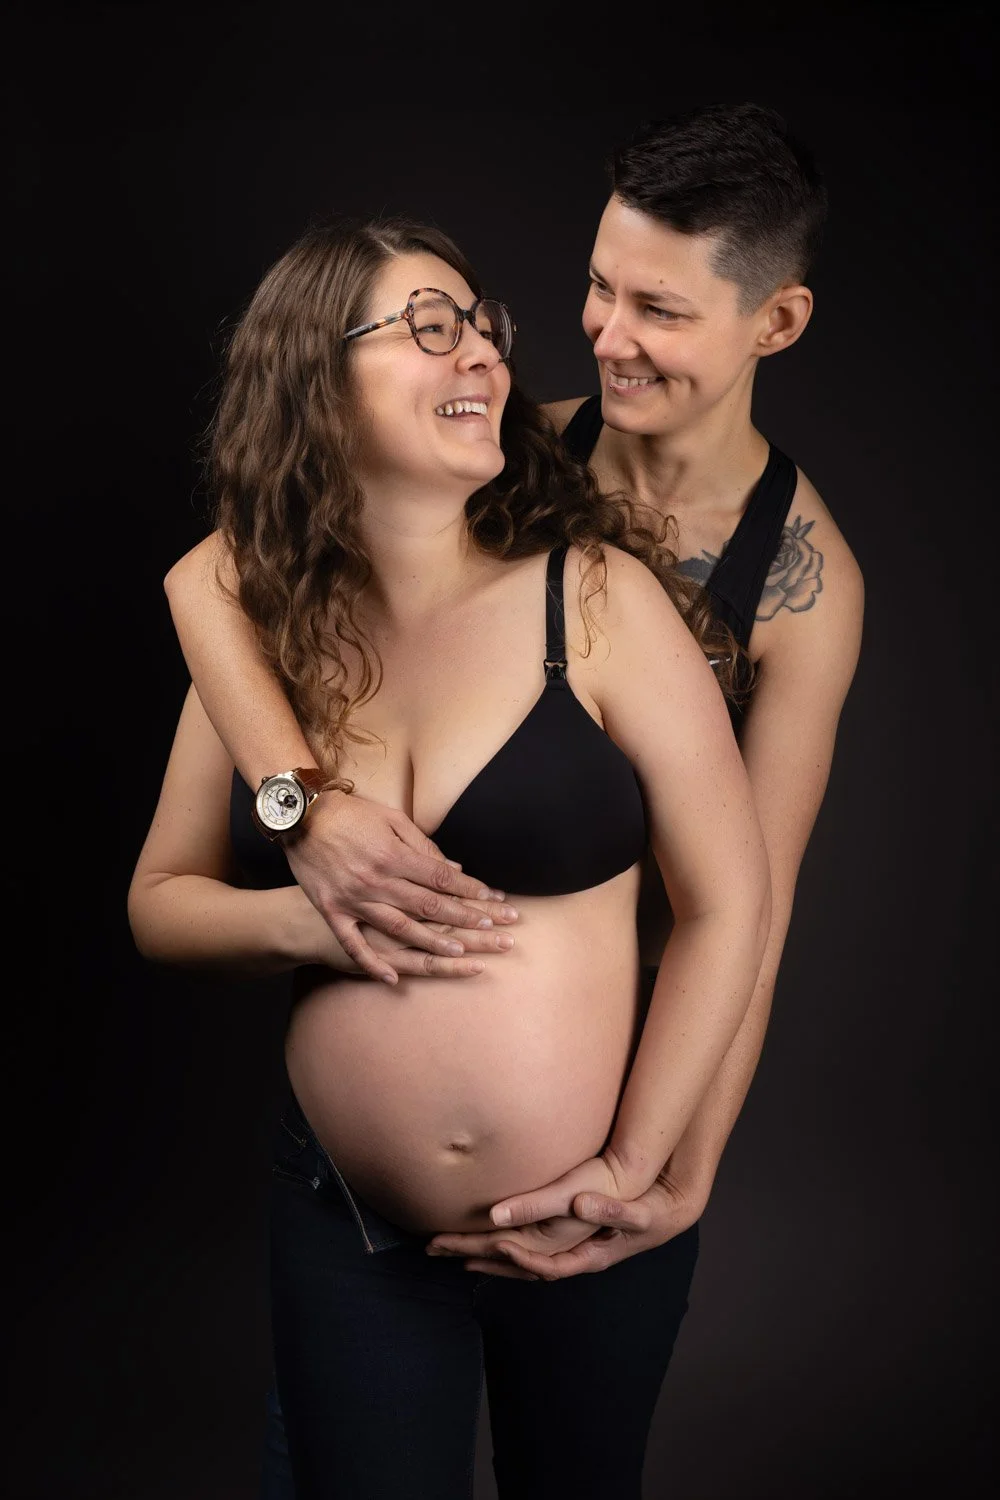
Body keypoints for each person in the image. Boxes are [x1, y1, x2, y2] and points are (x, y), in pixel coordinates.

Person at [164, 104, 863, 1291]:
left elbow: (757, 903)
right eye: (599, 287)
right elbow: (210, 577)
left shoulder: (802, 586)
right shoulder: (504, 447)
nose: (607, 334)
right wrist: (306, 807)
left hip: (618, 1066)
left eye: (660, 311)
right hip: (367, 1115)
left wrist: (676, 1168)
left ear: (776, 322)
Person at [129, 215, 770, 1498]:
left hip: (589, 1228)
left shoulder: (591, 600)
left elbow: (729, 902)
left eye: (481, 323)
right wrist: (309, 910)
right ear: (317, 378)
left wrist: (633, 1167)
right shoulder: (266, 650)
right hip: (344, 1229)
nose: (479, 349)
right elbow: (160, 905)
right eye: (431, 325)